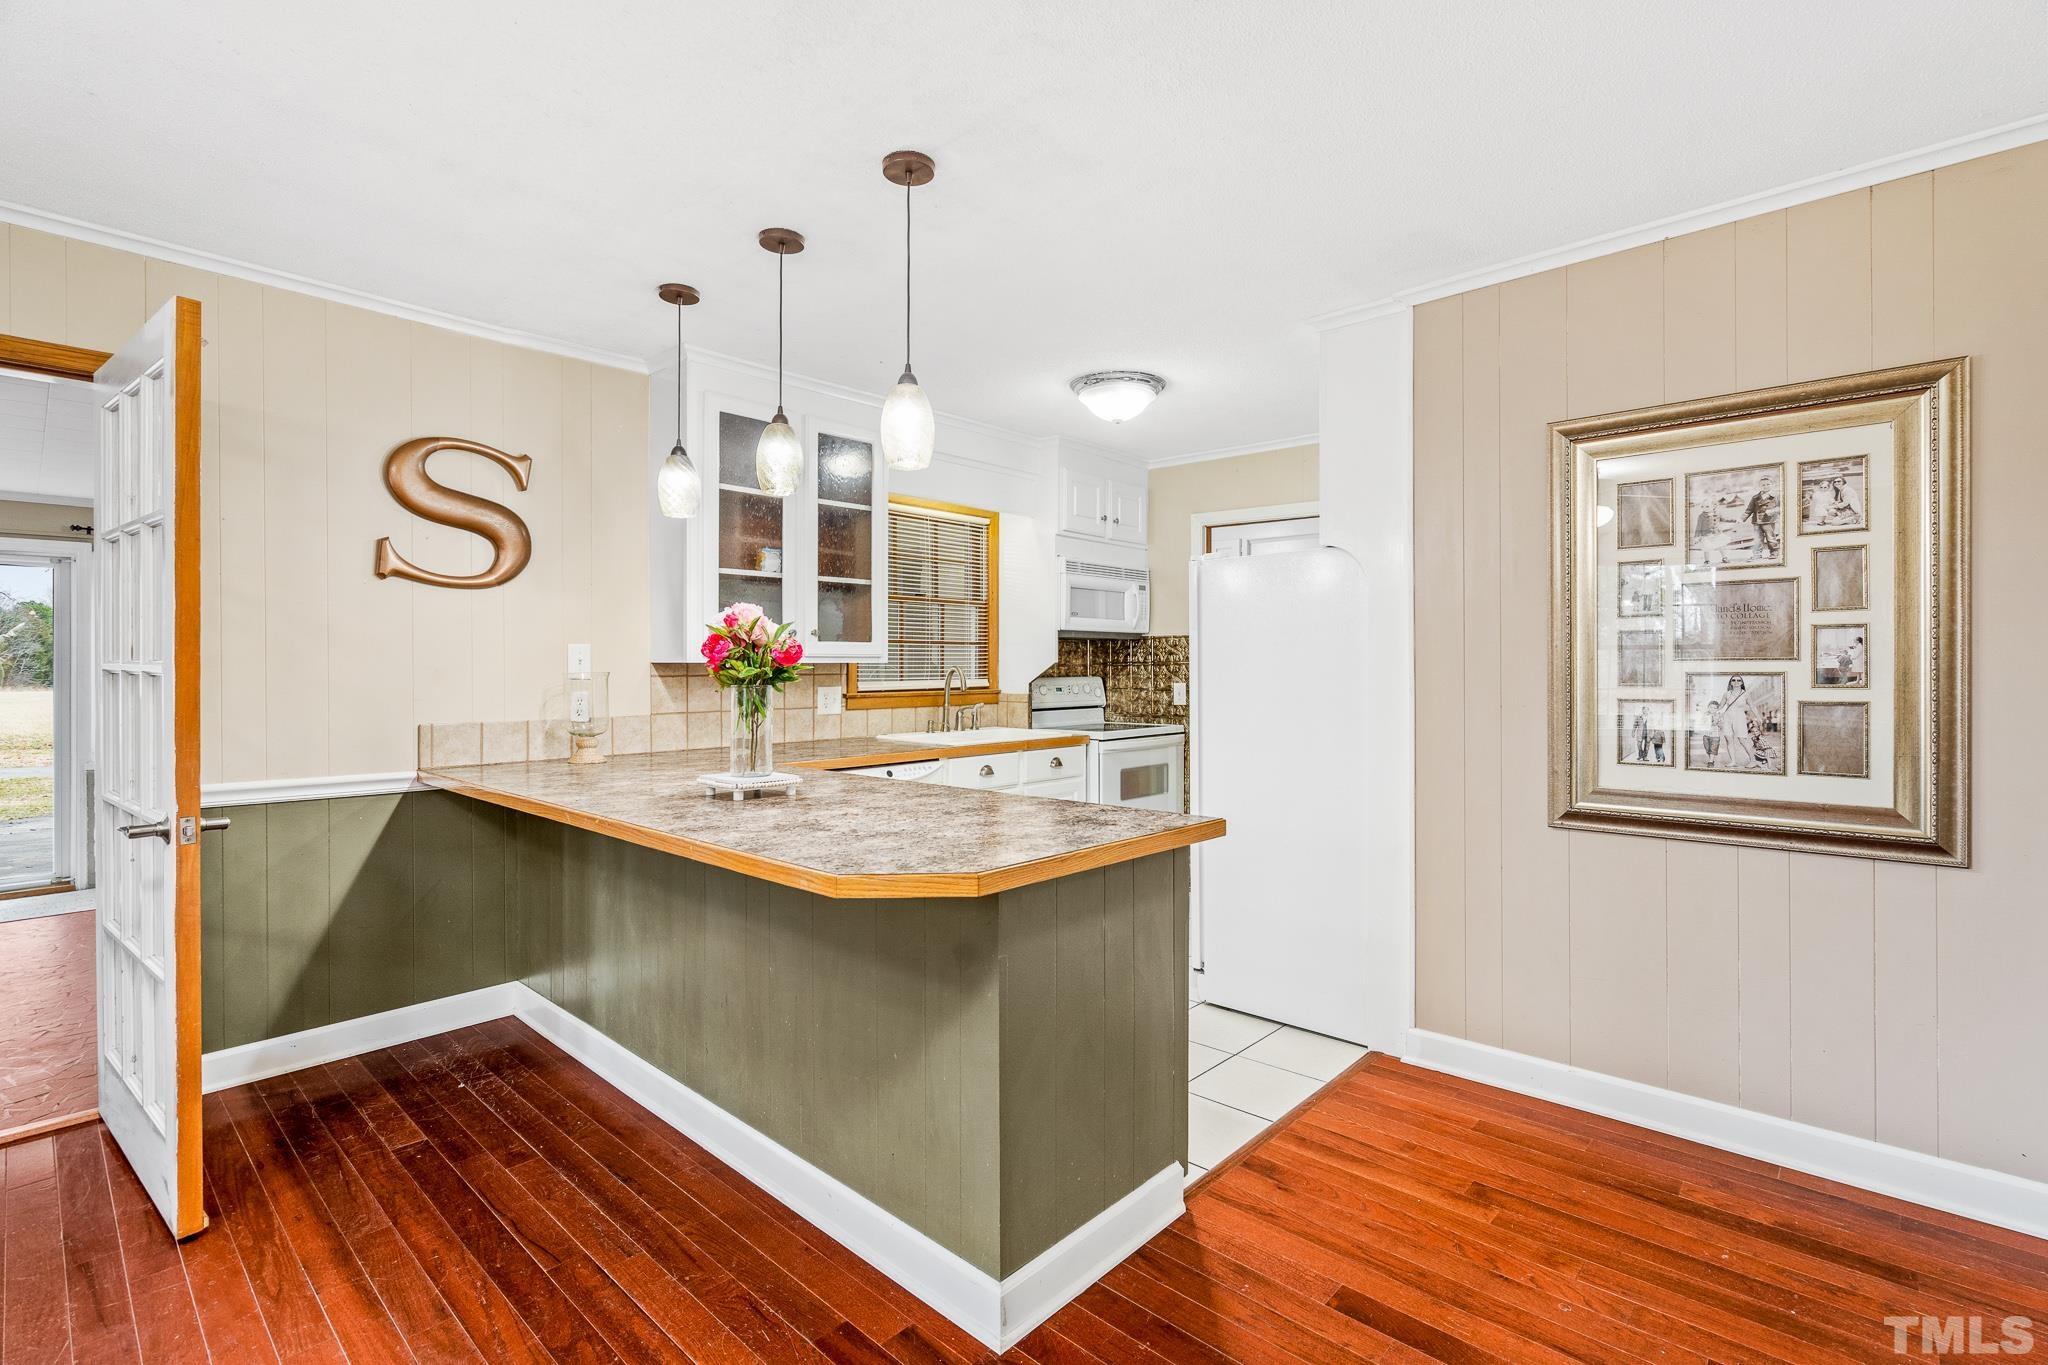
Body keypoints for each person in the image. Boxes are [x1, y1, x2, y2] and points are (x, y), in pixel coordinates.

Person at [1744, 487, 1779, 561]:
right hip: (1757, 521)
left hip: (1769, 521)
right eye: (1763, 484)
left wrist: (1772, 511)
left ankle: (1774, 552)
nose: (1766, 486)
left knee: (1771, 538)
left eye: (1768, 484)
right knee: (1757, 539)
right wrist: (1742, 518)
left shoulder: (1775, 496)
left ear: (1772, 485)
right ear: (1760, 486)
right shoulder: (1755, 497)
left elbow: (1781, 507)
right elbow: (1749, 509)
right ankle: (1757, 554)